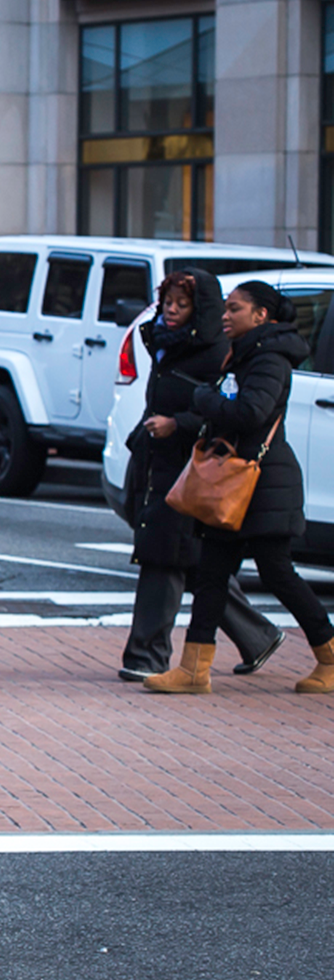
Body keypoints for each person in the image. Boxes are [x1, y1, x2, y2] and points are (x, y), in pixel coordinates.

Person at [146, 281, 334, 695]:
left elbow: (251, 412)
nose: (225, 316)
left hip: (263, 486)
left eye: (235, 309)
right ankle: (194, 669)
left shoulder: (269, 359)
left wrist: (203, 399)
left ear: (261, 316)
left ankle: (330, 655)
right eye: (225, 309)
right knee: (211, 574)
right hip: (236, 485)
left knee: (278, 573)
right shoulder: (243, 355)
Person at [117, 270, 283, 682]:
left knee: (166, 554)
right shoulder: (164, 344)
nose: (171, 311)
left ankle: (147, 656)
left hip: (191, 464)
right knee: (190, 561)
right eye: (167, 302)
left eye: (182, 304)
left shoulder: (217, 354)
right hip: (158, 460)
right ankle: (258, 635)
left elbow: (229, 410)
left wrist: (179, 423)